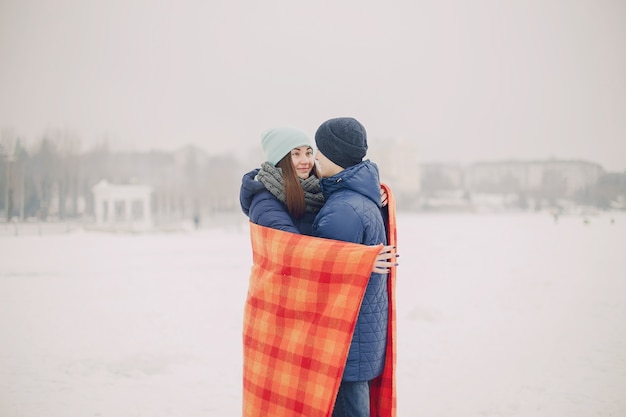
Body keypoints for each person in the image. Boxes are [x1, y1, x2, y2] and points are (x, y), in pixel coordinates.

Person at [312, 117, 390, 417]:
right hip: (359, 340)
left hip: (344, 345)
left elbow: (326, 277)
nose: (315, 156)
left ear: (335, 155)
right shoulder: (359, 198)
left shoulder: (343, 211)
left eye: (320, 149)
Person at [240, 126, 396, 272]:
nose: (306, 161)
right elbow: (292, 251)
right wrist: (360, 260)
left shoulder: (315, 190)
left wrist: (371, 191)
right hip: (279, 295)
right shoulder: (264, 201)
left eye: (308, 153)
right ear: (280, 159)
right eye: (296, 154)